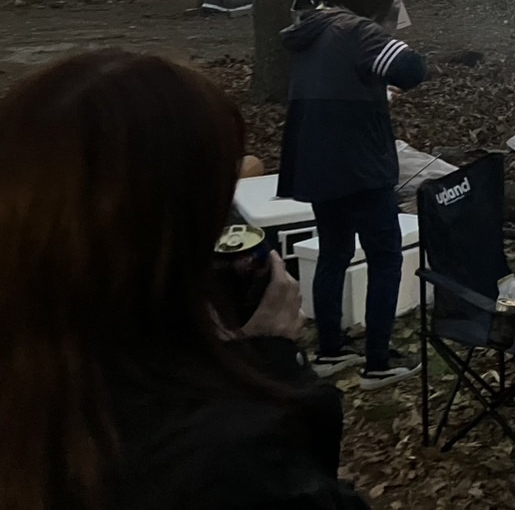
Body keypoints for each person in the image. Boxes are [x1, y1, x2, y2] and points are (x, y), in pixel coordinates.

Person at [0, 51, 368, 510]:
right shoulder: (224, 462)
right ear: (166, 244)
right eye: (218, 209)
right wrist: (273, 364)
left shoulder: (44, 386)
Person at [279, 0, 428, 389]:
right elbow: (410, 70)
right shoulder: (357, 30)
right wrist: (390, 26)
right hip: (359, 161)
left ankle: (330, 350)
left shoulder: (309, 29)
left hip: (316, 161)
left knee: (334, 251)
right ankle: (379, 362)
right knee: (384, 256)